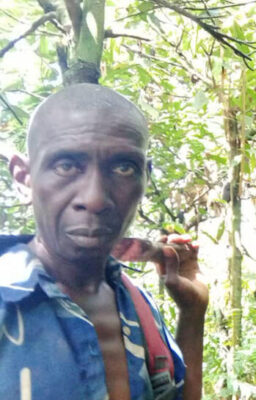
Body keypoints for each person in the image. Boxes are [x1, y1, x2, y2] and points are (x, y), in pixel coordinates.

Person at [0, 83, 209, 400]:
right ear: (24, 179)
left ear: (144, 178)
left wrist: (192, 313)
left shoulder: (138, 306)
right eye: (66, 165)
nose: (95, 198)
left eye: (124, 168)